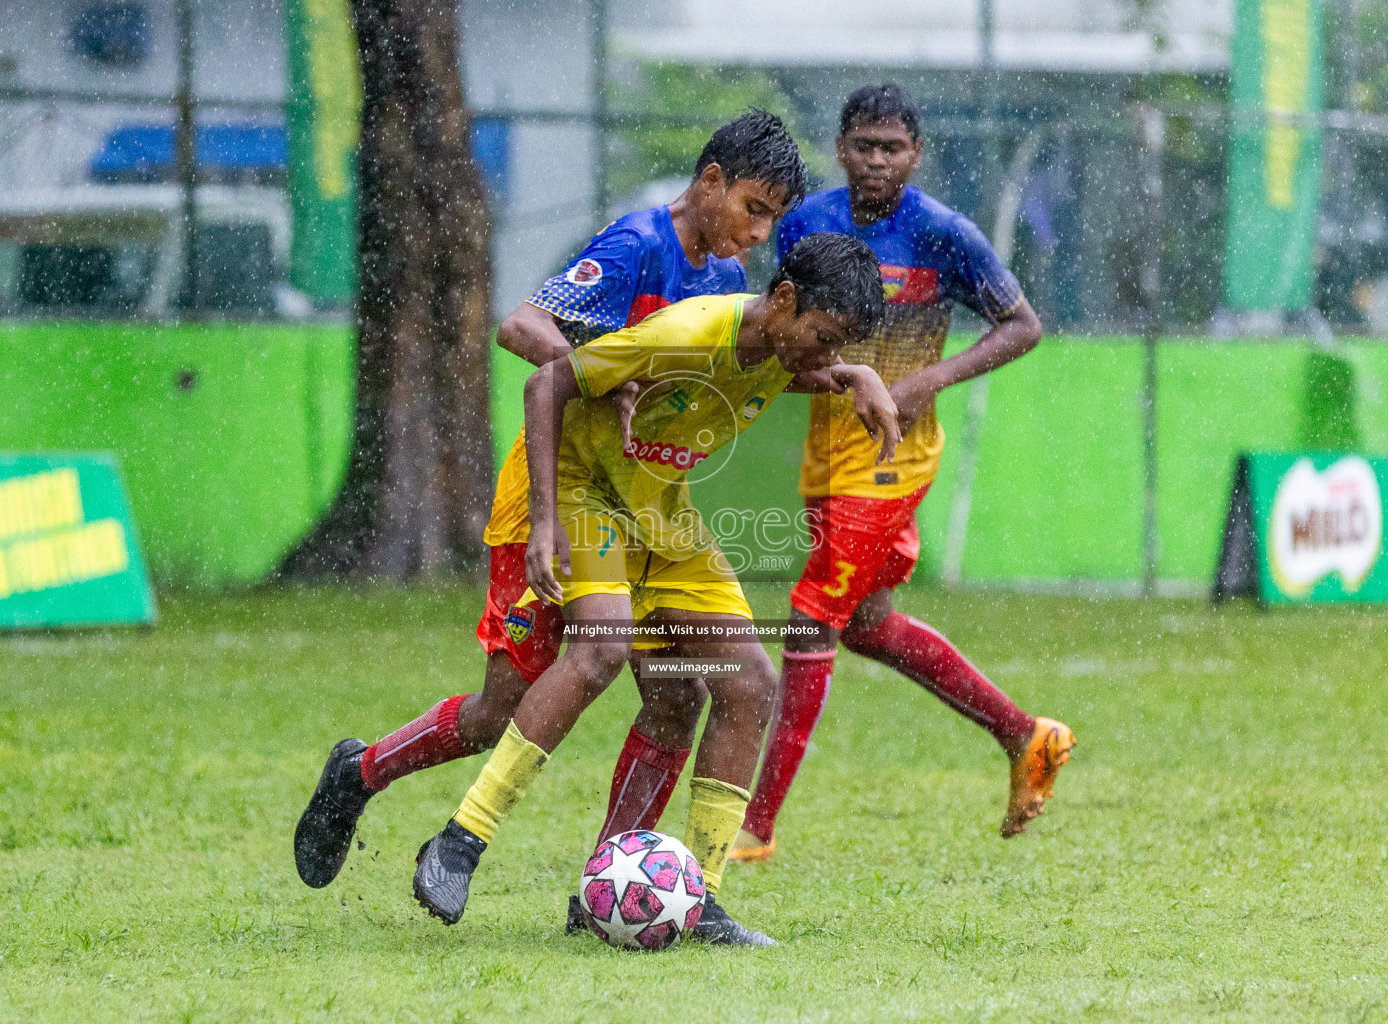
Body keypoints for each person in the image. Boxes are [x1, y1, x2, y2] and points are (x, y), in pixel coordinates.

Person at [293, 112, 808, 894]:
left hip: (638, 516)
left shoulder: (729, 284)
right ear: (710, 181)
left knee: (678, 695)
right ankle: (360, 772)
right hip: (555, 494)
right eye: (754, 207)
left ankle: (611, 889)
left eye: (772, 218)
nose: (759, 231)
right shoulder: (637, 245)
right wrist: (600, 369)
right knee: (501, 710)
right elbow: (521, 324)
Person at [411, 233, 899, 946]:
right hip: (589, 496)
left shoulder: (784, 347)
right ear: (784, 300)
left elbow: (789, 371)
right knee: (601, 649)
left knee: (749, 682)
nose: (823, 357)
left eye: (837, 346)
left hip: (662, 513)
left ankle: (698, 899)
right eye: (823, 339)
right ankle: (462, 840)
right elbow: (546, 383)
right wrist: (545, 520)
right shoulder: (686, 332)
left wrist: (858, 372)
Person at [729, 83, 1075, 865]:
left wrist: (929, 381)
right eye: (864, 145)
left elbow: (1023, 326)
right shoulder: (806, 224)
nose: (877, 161)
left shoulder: (944, 234)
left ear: (916, 155)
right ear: (841, 147)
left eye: (892, 148)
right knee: (868, 625)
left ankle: (756, 826)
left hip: (893, 458)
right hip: (828, 450)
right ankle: (1028, 737)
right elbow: (774, 319)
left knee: (812, 613)